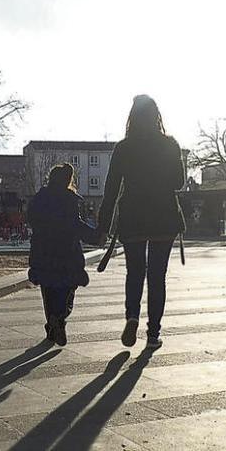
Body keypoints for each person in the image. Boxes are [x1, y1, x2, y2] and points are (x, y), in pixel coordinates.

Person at [97, 94, 185, 350]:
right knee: (158, 277)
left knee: (134, 273)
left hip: (133, 218)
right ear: (157, 115)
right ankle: (153, 333)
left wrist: (103, 228)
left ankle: (132, 316)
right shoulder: (170, 145)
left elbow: (111, 190)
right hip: (164, 218)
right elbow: (178, 182)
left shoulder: (123, 148)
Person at [28, 163, 98, 346]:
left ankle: (52, 325)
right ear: (68, 181)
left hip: (43, 253)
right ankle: (59, 319)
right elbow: (76, 225)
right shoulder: (69, 200)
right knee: (66, 291)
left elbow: (31, 222)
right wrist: (96, 236)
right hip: (67, 254)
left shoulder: (38, 200)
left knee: (48, 292)